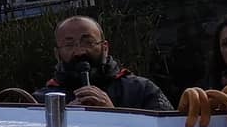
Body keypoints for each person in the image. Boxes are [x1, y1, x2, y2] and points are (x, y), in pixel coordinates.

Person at [38, 15, 171, 111]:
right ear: (57, 54)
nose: (79, 52)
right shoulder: (41, 100)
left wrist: (112, 115)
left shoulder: (142, 90)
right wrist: (66, 119)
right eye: (69, 45)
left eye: (88, 43)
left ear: (105, 47)